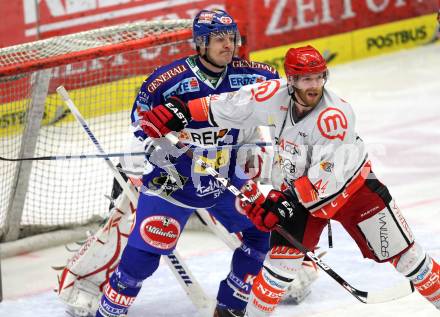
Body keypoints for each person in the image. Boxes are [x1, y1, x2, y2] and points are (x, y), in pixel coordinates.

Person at [140, 45, 440, 316]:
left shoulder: (335, 116)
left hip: (353, 193)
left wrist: (281, 203)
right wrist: (180, 111)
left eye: (319, 77)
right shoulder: (273, 96)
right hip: (299, 199)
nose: (315, 85)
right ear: (291, 80)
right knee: (276, 271)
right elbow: (229, 106)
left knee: (409, 260)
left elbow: (327, 175)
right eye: (306, 79)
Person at [95, 9, 315, 317]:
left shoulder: (254, 76)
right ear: (201, 43)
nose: (229, 45)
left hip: (225, 180)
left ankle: (229, 308)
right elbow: (139, 127)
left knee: (262, 234)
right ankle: (106, 313)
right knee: (141, 260)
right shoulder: (166, 81)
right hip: (173, 184)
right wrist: (154, 138)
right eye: (219, 40)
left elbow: (290, 106)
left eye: (232, 38)